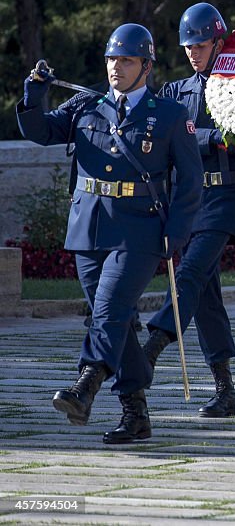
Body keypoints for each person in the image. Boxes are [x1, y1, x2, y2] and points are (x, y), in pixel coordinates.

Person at [18, 23, 202, 443]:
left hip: (138, 230)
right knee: (114, 320)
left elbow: (190, 183)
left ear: (146, 66)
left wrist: (177, 232)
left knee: (109, 310)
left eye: (127, 60)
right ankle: (135, 414)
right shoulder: (86, 105)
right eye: (112, 59)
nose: (116, 68)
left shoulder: (169, 115)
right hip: (88, 227)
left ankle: (86, 385)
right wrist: (34, 92)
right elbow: (40, 132)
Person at [141, 3, 235, 418]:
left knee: (188, 277)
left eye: (200, 45)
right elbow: (156, 129)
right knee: (205, 296)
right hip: (187, 204)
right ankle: (226, 390)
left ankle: (152, 346)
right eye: (188, 46)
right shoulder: (174, 93)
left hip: (222, 200)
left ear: (219, 43)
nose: (193, 53)